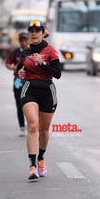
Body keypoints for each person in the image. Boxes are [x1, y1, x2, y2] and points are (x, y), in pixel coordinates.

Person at [18, 20, 61, 181]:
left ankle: (41, 158)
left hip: (47, 92)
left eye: (38, 30)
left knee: (43, 130)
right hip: (29, 90)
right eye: (31, 30)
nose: (34, 33)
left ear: (43, 33)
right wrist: (21, 73)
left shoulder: (50, 51)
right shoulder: (25, 52)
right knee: (33, 126)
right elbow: (19, 70)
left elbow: (57, 74)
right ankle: (32, 166)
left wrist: (42, 63)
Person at [5, 32, 29, 137]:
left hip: (29, 81)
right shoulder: (15, 52)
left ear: (29, 40)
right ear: (19, 41)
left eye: (25, 40)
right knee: (19, 104)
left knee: (29, 103)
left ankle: (30, 124)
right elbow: (7, 63)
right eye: (22, 40)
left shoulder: (32, 51)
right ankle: (22, 127)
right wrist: (12, 67)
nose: (24, 42)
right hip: (18, 81)